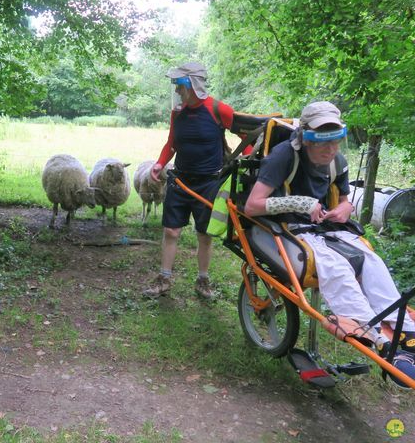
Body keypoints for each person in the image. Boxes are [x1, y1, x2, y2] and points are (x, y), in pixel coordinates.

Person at [244, 100, 415, 385]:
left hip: (324, 228)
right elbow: (252, 205)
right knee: (336, 267)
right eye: (322, 141)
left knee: (371, 261)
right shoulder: (283, 156)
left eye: (336, 140)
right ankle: (371, 334)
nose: (330, 149)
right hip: (287, 228)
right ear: (304, 138)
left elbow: (345, 200)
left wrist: (345, 208)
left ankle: (405, 330)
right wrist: (299, 201)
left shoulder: (337, 161)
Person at [142, 62, 234, 300]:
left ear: (192, 85)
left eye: (179, 86)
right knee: (171, 231)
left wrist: (247, 161)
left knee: (204, 234)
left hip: (208, 183)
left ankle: (203, 280)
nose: (176, 92)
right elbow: (172, 143)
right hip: (180, 181)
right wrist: (160, 163)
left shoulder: (218, 110)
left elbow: (247, 136)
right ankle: (164, 278)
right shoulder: (177, 113)